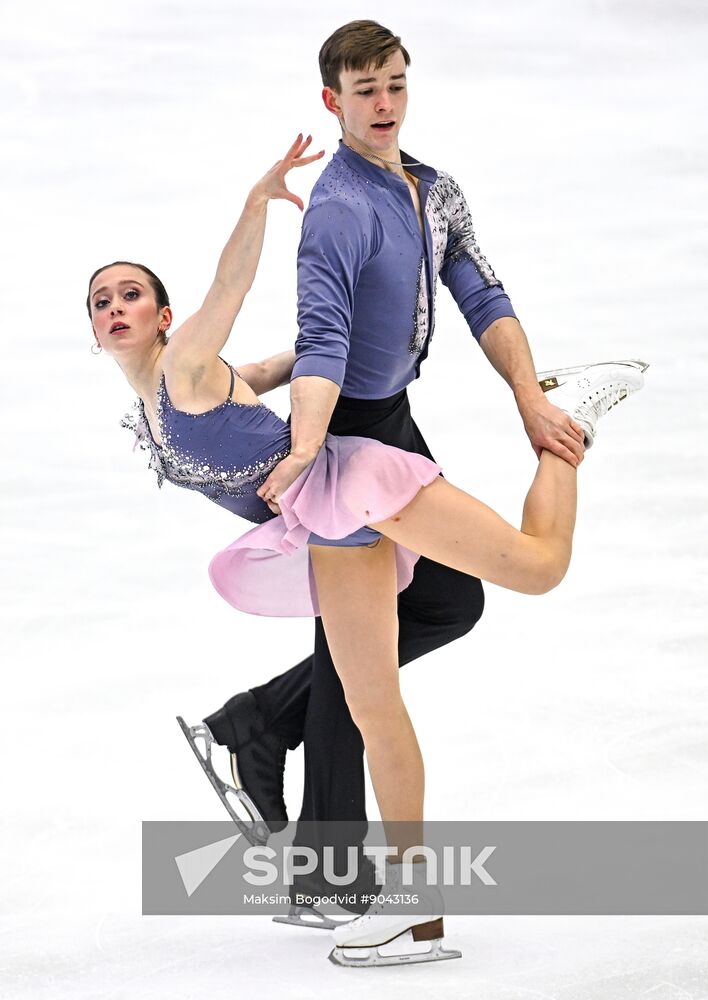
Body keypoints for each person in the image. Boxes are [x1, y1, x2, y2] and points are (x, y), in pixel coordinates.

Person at [91, 135, 645, 964]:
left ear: (165, 318)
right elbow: (272, 365)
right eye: (101, 303)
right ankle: (409, 909)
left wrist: (255, 204)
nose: (116, 307)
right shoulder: (169, 402)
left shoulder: (185, 369)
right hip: (327, 529)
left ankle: (566, 420)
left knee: (541, 566)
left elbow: (229, 287)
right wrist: (309, 362)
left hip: (356, 486)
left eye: (132, 294)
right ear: (94, 334)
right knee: (371, 708)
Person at [195, 18, 597, 940]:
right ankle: (326, 866)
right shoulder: (337, 209)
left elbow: (481, 291)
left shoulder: (434, 189)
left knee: (444, 604)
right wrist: (304, 446)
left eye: (396, 85)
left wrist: (530, 396)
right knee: (368, 666)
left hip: (391, 423)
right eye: (365, 90)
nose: (384, 104)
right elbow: (325, 337)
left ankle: (261, 724)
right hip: (347, 439)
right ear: (332, 101)